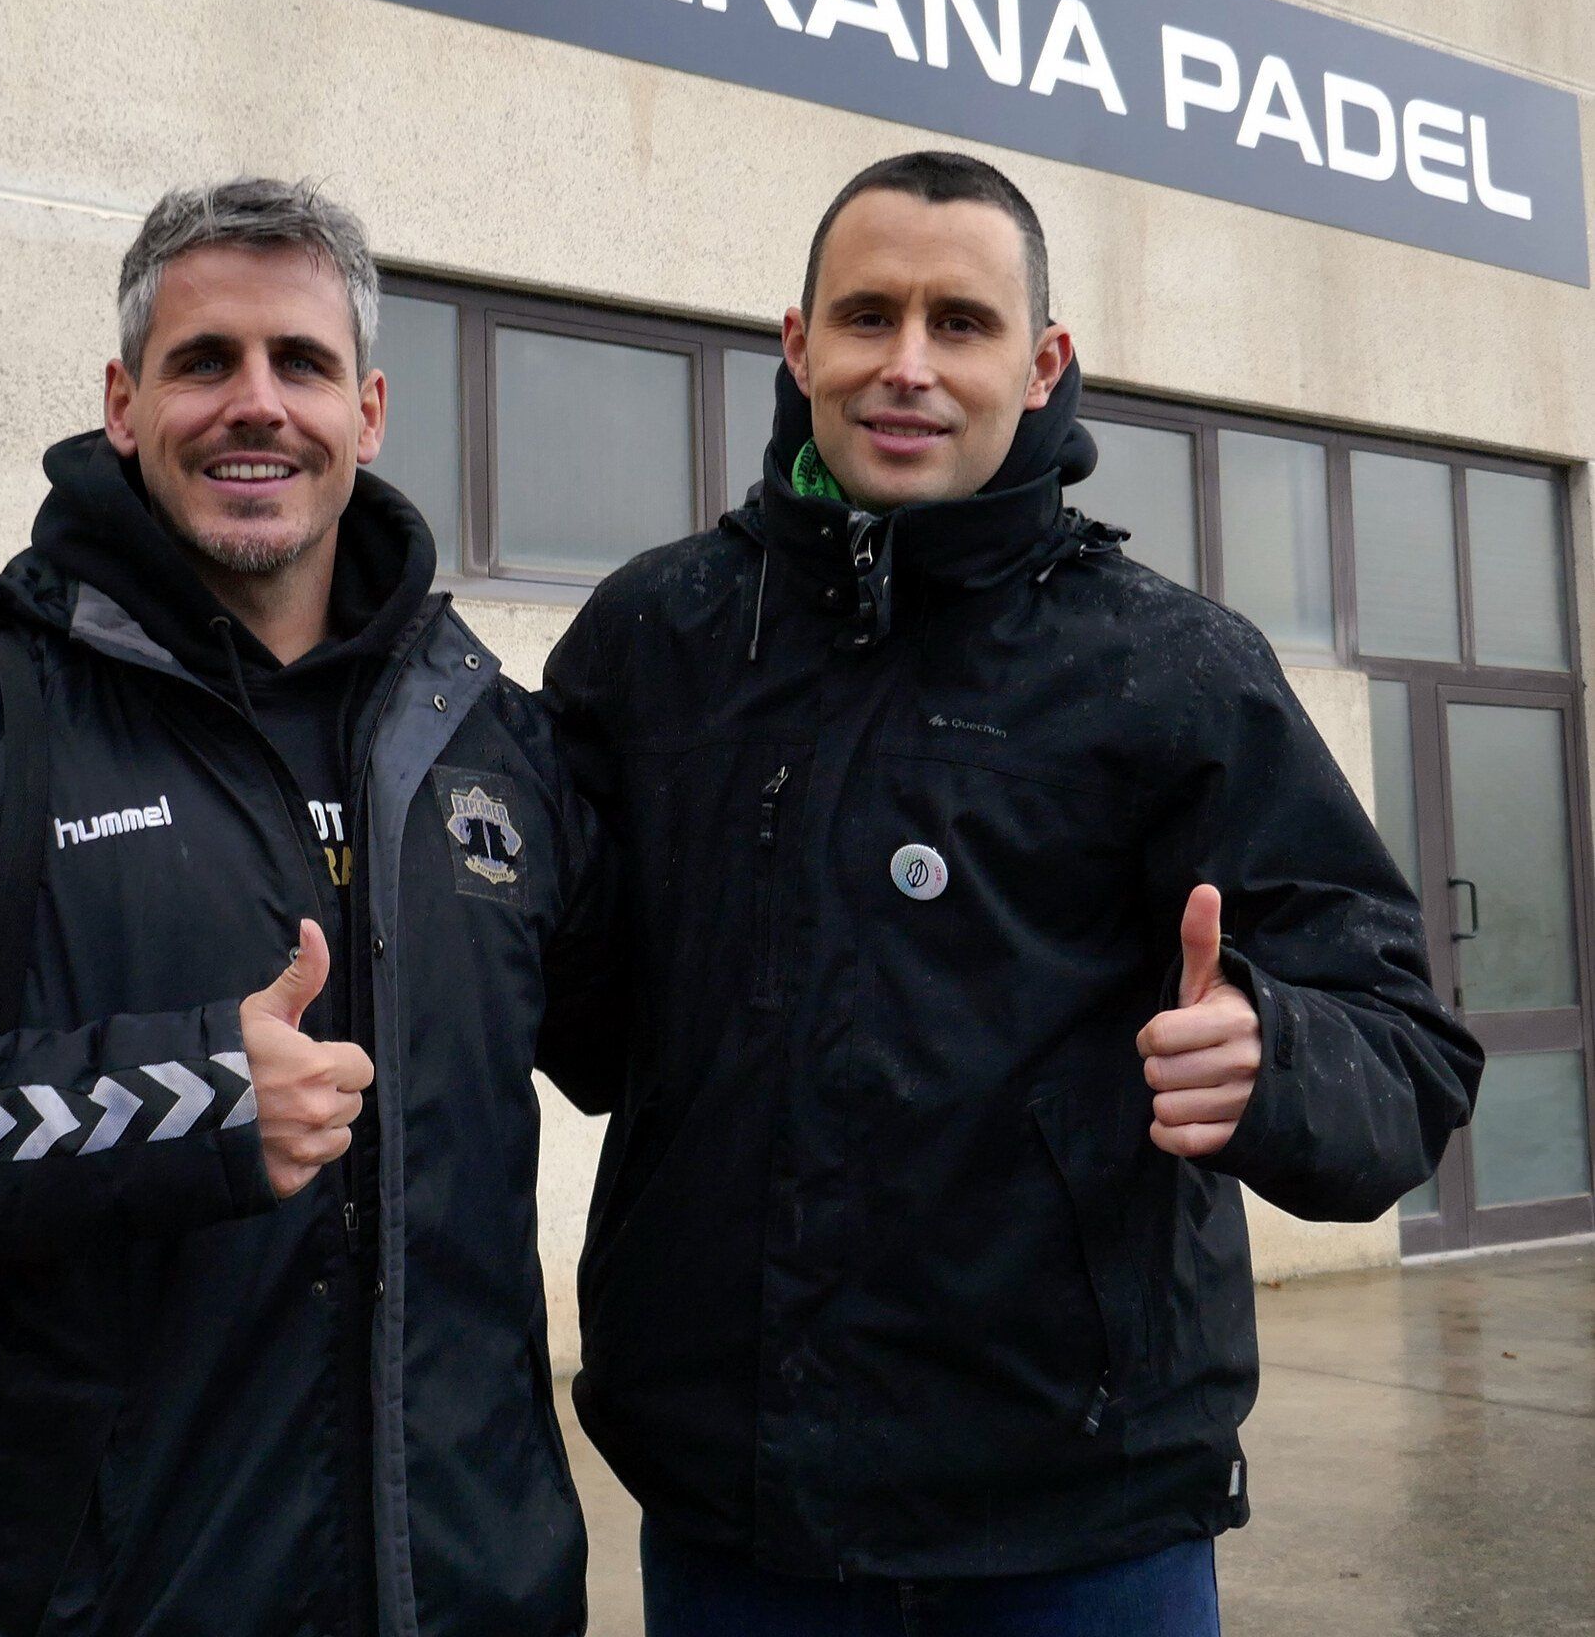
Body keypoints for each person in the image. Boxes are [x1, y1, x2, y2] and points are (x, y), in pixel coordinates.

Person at [539, 151, 1483, 1635]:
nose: (907, 367)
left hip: (1083, 1534)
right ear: (798, 345)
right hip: (738, 1524)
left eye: (961, 325)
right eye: (867, 317)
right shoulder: (656, 640)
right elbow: (574, 1005)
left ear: (1042, 365)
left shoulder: (1172, 667)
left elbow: (1409, 1052)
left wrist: (1275, 1055)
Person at [0, 179, 590, 1637]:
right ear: (124, 402)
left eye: (299, 364)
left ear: (368, 412)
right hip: (98, 1595)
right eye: (203, 362)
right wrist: (182, 1102)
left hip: (474, 1590)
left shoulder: (484, 734)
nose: (257, 405)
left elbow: (692, 1026)